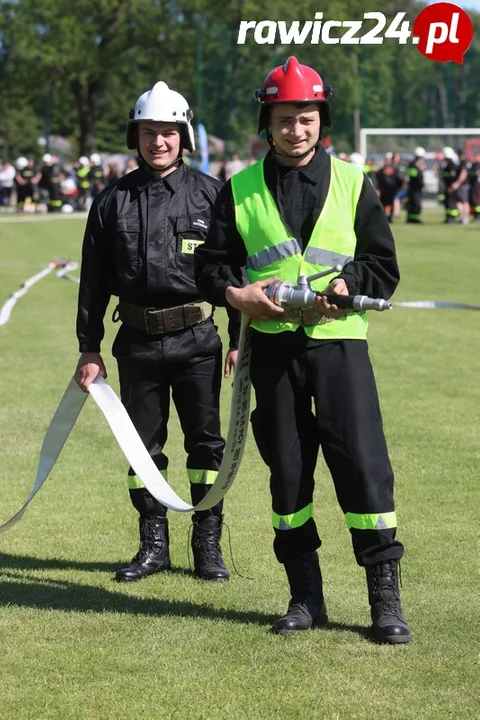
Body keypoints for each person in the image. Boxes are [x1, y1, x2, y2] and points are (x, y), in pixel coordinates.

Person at [195, 55, 411, 644]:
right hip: (271, 351)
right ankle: (304, 596)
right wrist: (238, 295)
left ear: (323, 120)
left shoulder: (352, 182)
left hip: (340, 349)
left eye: (308, 117)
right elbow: (212, 267)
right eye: (286, 118)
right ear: (268, 122)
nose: (297, 129)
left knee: (364, 470)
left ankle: (384, 602)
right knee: (288, 475)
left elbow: (382, 265)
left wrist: (350, 286)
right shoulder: (238, 189)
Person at [74, 81, 240, 584]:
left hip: (198, 342)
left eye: (168, 132)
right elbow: (93, 280)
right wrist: (89, 346)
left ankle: (207, 544)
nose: (158, 142)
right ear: (136, 135)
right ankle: (153, 544)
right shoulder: (111, 202)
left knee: (206, 446)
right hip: (138, 343)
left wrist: (238, 339)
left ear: (183, 136)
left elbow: (235, 272)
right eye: (149, 132)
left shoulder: (213, 195)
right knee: (141, 447)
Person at [375, 153, 403, 223]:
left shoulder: (390, 169)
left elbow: (399, 178)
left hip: (389, 189)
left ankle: (388, 217)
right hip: (387, 189)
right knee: (386, 203)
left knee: (388, 203)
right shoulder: (387, 169)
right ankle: (387, 217)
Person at [405, 147, 425, 224]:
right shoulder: (413, 165)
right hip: (414, 188)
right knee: (415, 204)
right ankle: (413, 219)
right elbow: (414, 177)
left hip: (418, 188)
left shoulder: (418, 165)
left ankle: (413, 218)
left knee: (415, 203)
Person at [440, 147, 459, 224]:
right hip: (447, 186)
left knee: (452, 203)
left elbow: (453, 177)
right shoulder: (446, 166)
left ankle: (453, 218)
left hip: (451, 187)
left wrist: (451, 187)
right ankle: (448, 217)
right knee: (447, 202)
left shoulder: (452, 165)